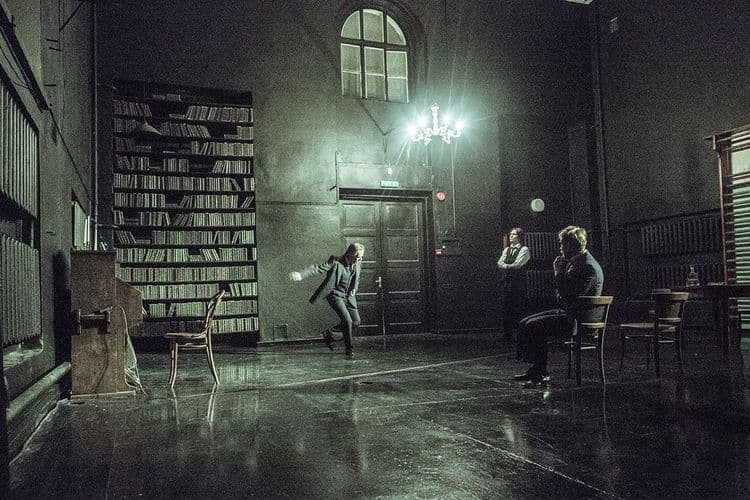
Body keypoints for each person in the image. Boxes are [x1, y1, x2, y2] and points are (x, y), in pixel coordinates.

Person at [514, 226, 603, 385]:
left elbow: (568, 295)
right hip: (571, 312)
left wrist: (558, 273)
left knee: (534, 325)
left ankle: (540, 372)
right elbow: (564, 294)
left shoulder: (587, 266)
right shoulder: (577, 262)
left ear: (571, 245)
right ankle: (536, 368)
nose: (560, 247)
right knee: (524, 322)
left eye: (562, 244)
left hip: (577, 321)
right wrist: (561, 290)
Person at [289, 243, 364, 357]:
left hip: (348, 296)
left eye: (361, 257)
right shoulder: (335, 261)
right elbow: (318, 268)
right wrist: (301, 274)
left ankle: (329, 335)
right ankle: (349, 349)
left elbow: (356, 278)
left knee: (356, 321)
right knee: (347, 321)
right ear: (350, 254)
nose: (360, 260)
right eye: (358, 257)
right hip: (336, 295)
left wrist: (355, 288)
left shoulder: (358, 263)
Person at [497, 227, 530, 340]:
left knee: (518, 307)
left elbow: (518, 264)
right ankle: (507, 334)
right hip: (506, 283)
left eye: (514, 234)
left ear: (520, 237)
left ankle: (520, 334)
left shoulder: (524, 249)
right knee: (506, 308)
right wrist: (509, 265)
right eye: (511, 234)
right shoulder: (507, 250)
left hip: (518, 283)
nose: (511, 236)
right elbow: (500, 262)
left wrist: (506, 265)